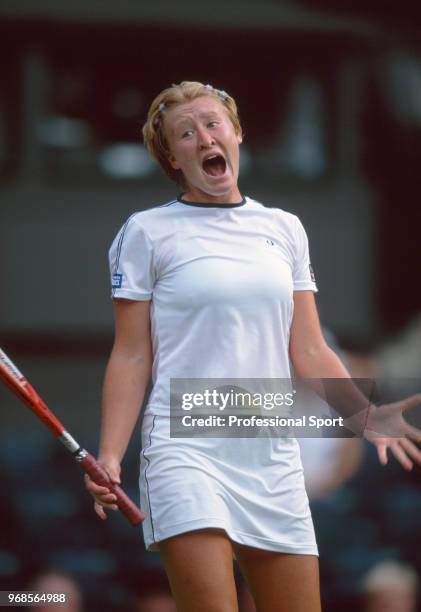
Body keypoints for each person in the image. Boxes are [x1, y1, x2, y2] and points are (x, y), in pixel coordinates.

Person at [85, 81, 421, 612]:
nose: (204, 137)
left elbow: (309, 350)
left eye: (213, 124)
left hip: (270, 451)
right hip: (184, 447)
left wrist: (364, 414)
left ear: (236, 133)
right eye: (186, 133)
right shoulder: (146, 232)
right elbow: (131, 354)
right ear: (173, 156)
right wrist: (109, 454)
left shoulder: (284, 228)